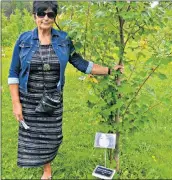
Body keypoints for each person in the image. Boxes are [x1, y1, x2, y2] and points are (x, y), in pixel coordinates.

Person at [8, 1, 124, 179]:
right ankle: (46, 170)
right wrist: (16, 103)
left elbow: (80, 63)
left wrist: (109, 70)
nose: (45, 18)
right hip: (29, 98)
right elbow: (13, 73)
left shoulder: (63, 40)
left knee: (51, 136)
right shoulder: (23, 40)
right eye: (41, 13)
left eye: (50, 14)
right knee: (34, 136)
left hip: (53, 99)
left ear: (55, 18)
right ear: (34, 15)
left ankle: (47, 165)